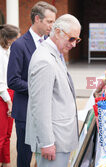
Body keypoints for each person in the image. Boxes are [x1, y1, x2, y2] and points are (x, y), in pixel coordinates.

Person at [25, 14, 81, 167]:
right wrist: (46, 142)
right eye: (71, 39)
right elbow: (40, 106)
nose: (74, 44)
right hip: (53, 140)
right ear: (57, 32)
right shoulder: (45, 59)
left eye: (77, 40)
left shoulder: (54, 54)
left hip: (59, 137)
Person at [7, 2, 57, 166]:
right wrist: (39, 91)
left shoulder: (51, 44)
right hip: (25, 111)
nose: (52, 25)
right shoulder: (19, 45)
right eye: (49, 21)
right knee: (24, 158)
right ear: (37, 19)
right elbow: (13, 80)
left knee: (46, 155)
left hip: (48, 112)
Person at [0, 24, 20, 167]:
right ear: (8, 39)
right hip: (3, 97)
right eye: (16, 39)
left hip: (9, 95)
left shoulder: (7, 52)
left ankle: (6, 162)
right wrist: (9, 102)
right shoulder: (0, 55)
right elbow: (0, 82)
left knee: (7, 134)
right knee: (1, 135)